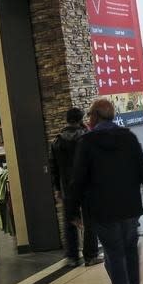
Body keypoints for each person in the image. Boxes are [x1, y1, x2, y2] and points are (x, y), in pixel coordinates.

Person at [67, 99, 143, 284]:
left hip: (102, 209)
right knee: (129, 249)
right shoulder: (128, 137)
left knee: (114, 255)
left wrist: (72, 211)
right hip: (130, 207)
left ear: (95, 117)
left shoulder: (87, 142)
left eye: (90, 115)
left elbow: (78, 179)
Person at [48, 108, 102, 266]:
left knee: (70, 220)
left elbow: (53, 167)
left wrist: (57, 187)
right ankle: (90, 255)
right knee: (89, 220)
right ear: (80, 119)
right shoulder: (87, 137)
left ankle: (72, 257)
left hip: (67, 188)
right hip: (87, 186)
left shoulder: (57, 141)